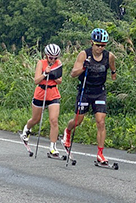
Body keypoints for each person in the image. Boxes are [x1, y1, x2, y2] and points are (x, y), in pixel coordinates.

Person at [61, 28, 117, 164]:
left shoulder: (109, 56)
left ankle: (100, 154)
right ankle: (67, 132)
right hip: (85, 91)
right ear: (92, 42)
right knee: (78, 121)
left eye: (103, 45)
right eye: (98, 45)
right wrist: (84, 67)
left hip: (99, 91)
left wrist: (113, 73)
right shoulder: (84, 54)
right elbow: (73, 73)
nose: (100, 48)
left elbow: (112, 68)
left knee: (101, 121)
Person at [20, 44, 63, 156]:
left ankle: (53, 147)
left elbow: (60, 80)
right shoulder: (41, 63)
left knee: (54, 120)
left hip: (53, 93)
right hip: (41, 93)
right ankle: (27, 129)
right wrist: (45, 74)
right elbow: (36, 80)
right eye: (50, 58)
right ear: (46, 56)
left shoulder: (58, 64)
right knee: (36, 119)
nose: (53, 60)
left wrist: (53, 74)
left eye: (55, 58)